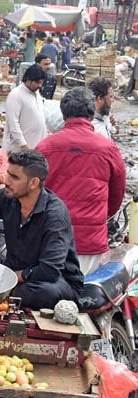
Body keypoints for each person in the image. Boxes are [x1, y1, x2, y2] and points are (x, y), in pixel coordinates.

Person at [0, 150, 85, 310]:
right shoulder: (8, 198)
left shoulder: (55, 215)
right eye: (8, 174)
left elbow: (50, 270)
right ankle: (1, 291)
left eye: (15, 177)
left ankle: (1, 293)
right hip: (14, 268)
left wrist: (5, 280)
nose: (6, 181)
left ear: (33, 183)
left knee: (43, 293)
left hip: (53, 280)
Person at [36, 88, 126, 275]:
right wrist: (98, 216)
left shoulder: (45, 147)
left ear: (63, 113)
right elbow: (117, 196)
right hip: (90, 241)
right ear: (92, 113)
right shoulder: (108, 148)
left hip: (49, 237)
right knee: (83, 296)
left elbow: (30, 191)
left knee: (46, 295)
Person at [3, 64, 47, 152]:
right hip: (20, 149)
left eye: (41, 83)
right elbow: (13, 123)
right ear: (28, 80)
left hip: (36, 147)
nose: (40, 86)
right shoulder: (16, 95)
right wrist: (23, 145)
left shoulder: (37, 93)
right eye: (38, 82)